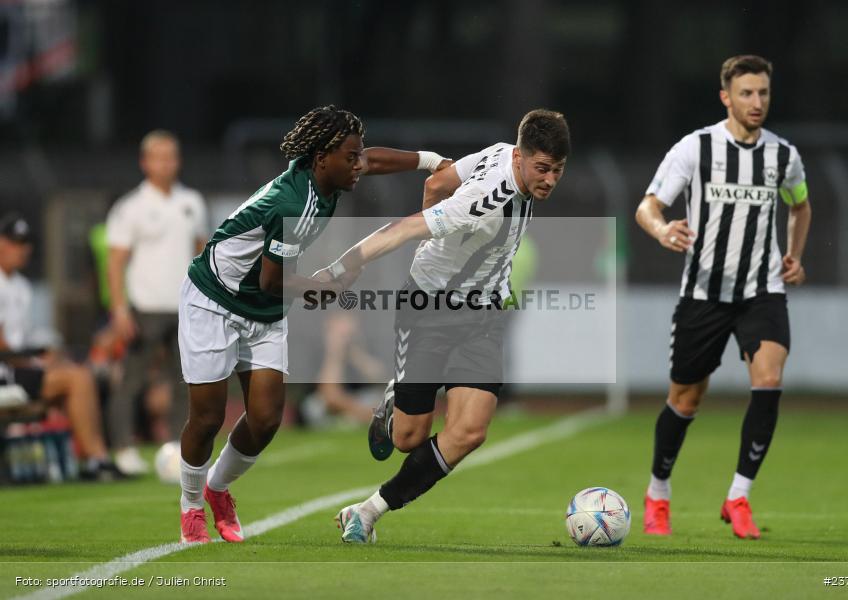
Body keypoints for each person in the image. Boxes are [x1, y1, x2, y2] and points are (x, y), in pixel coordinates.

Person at [177, 105, 450, 544]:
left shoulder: (325, 170)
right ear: (323, 158)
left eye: (358, 154)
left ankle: (218, 489)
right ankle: (191, 506)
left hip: (262, 309)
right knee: (208, 417)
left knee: (265, 420)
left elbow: (372, 158)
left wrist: (430, 161)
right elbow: (272, 281)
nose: (359, 164)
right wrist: (325, 287)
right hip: (215, 299)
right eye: (350, 156)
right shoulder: (294, 203)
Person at [319, 109, 570, 543]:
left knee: (470, 431)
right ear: (522, 158)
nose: (549, 180)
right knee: (407, 437)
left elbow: (438, 181)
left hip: (485, 315)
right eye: (542, 169)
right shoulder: (485, 201)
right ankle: (394, 399)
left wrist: (440, 232)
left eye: (558, 171)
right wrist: (345, 266)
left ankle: (367, 511)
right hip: (429, 311)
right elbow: (403, 229)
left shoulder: (500, 153)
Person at [635, 55, 812, 539]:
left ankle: (738, 495)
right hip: (704, 293)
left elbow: (800, 204)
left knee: (770, 377)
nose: (757, 102)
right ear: (726, 97)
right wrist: (660, 230)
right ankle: (658, 493)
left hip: (763, 291)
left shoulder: (784, 155)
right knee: (685, 400)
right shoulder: (697, 148)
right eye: (747, 93)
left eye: (764, 93)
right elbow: (649, 206)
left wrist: (793, 255)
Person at [106, 130, 208, 475]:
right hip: (146, 308)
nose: (167, 163)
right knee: (132, 380)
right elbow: (116, 260)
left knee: (185, 382)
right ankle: (123, 448)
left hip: (185, 307)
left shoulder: (192, 201)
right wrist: (120, 309)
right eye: (159, 157)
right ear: (144, 162)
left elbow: (201, 252)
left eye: (172, 156)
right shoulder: (131, 207)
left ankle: (178, 451)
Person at [0, 212, 123, 481]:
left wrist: (44, 356)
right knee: (76, 378)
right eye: (14, 242)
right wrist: (34, 361)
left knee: (78, 371)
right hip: (5, 370)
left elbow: (22, 339)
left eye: (24, 243)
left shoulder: (21, 286)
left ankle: (94, 457)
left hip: (17, 365)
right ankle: (96, 459)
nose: (21, 250)